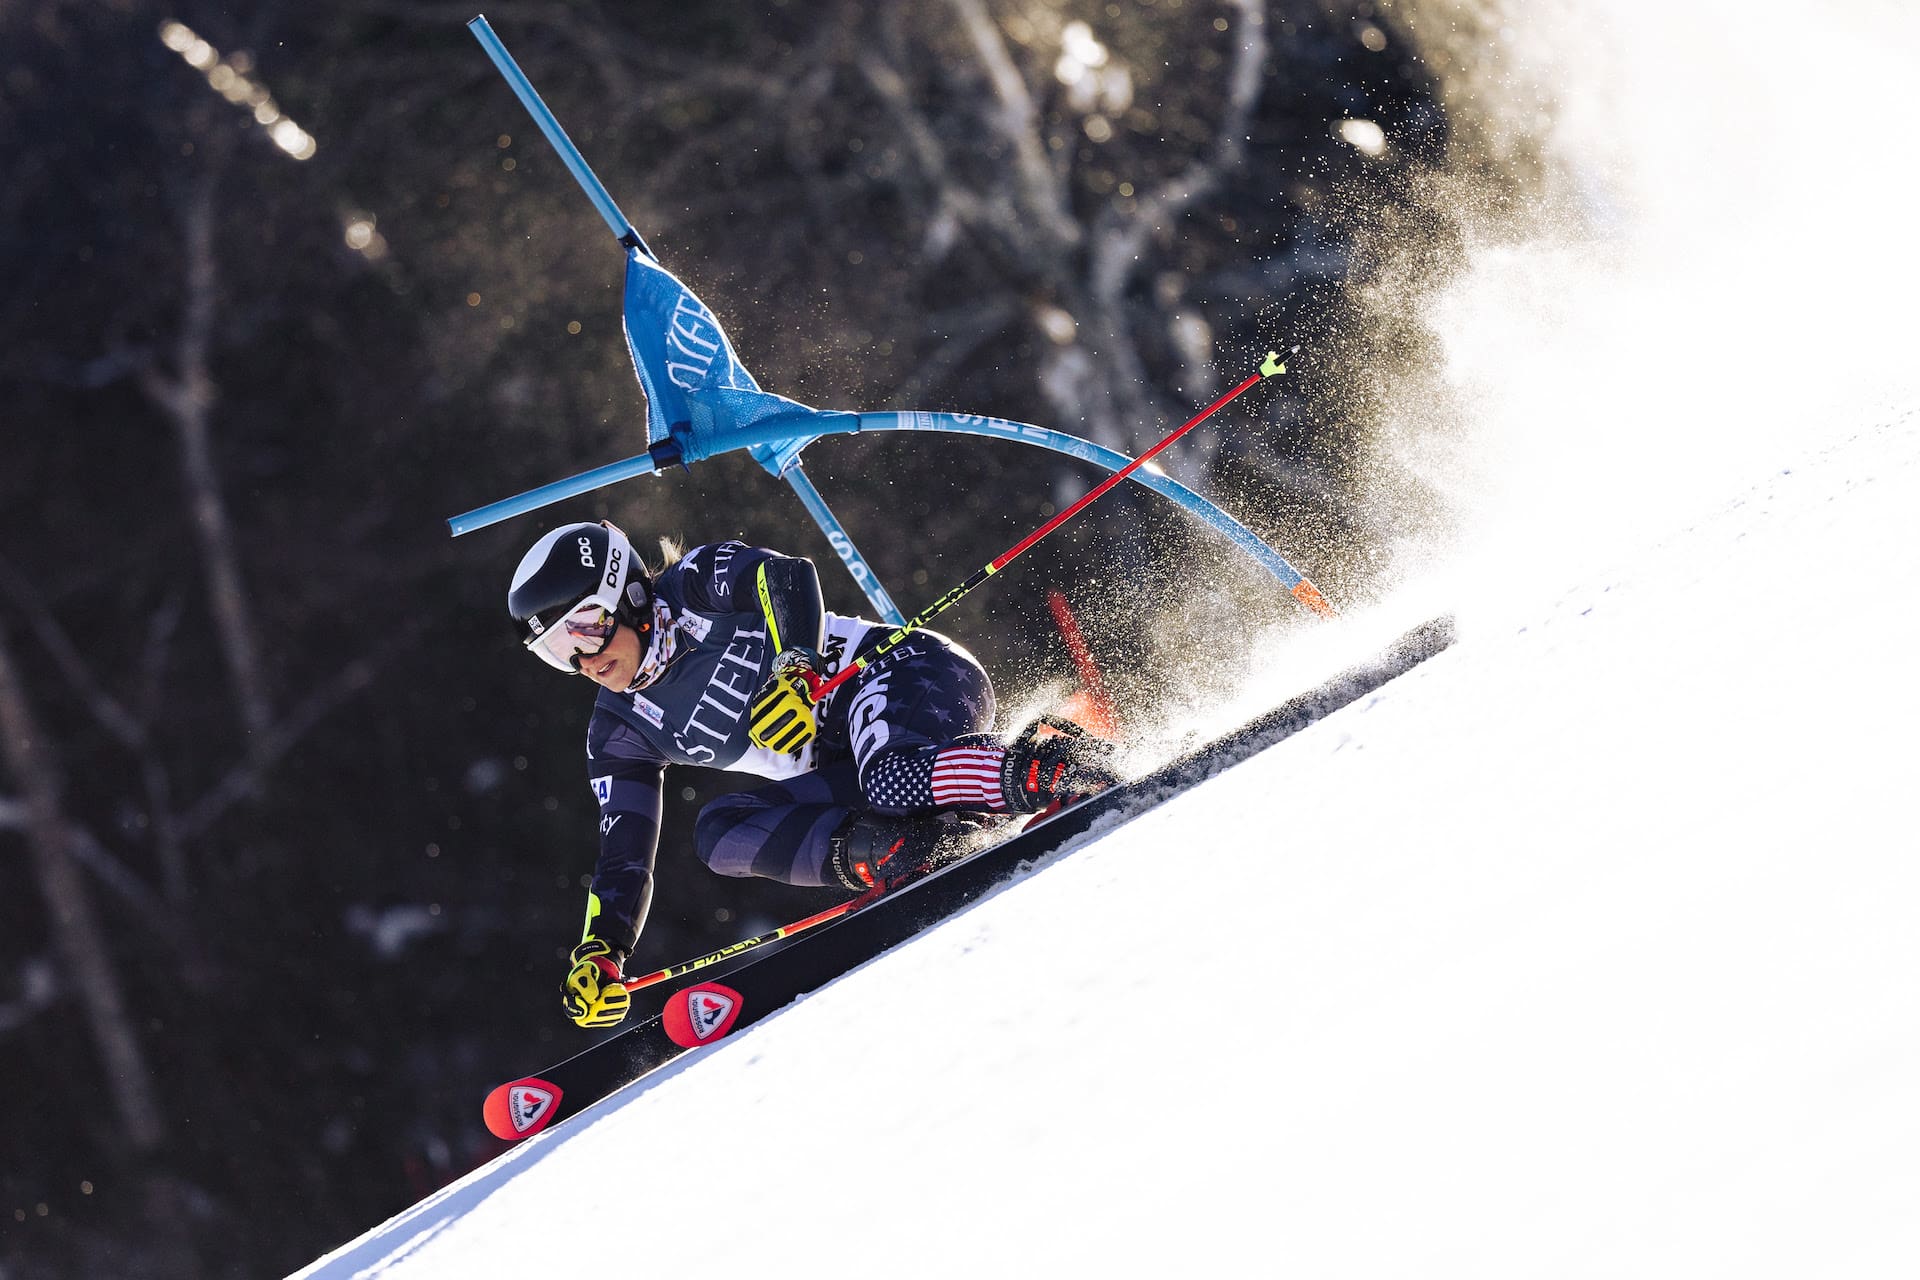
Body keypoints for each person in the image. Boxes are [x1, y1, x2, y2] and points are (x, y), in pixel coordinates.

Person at [507, 519, 1119, 1028]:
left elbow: (786, 574)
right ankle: (902, 851)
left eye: (585, 628)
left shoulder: (694, 584)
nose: (584, 661)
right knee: (718, 831)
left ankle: (1045, 769)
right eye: (559, 653)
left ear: (628, 596)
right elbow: (624, 854)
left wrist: (794, 669)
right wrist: (602, 949)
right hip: (850, 768)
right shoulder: (620, 728)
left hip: (909, 675)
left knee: (890, 774)